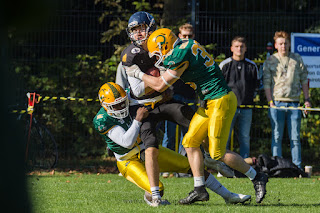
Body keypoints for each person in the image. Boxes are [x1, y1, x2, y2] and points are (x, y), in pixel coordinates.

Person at [126, 28, 269, 204]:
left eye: (157, 53)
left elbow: (159, 85)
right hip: (208, 100)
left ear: (165, 45)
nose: (156, 58)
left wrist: (137, 73)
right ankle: (199, 189)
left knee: (217, 153)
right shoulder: (188, 44)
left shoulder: (179, 56)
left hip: (220, 100)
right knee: (189, 142)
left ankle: (257, 177)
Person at [93, 82, 251, 206]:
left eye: (123, 103)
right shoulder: (102, 120)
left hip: (146, 150)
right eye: (116, 106)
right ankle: (151, 197)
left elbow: (146, 95)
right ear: (105, 106)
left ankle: (228, 195)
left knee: (192, 166)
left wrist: (162, 94)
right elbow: (127, 142)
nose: (121, 107)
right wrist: (137, 120)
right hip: (128, 160)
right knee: (158, 189)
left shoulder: (129, 99)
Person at [120, 11, 196, 205]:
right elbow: (137, 89)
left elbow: (170, 77)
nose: (137, 34)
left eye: (141, 28)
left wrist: (162, 83)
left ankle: (209, 167)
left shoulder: (161, 43)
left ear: (151, 27)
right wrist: (159, 81)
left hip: (163, 100)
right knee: (151, 146)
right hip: (142, 107)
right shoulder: (131, 54)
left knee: (194, 122)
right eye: (134, 30)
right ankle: (155, 196)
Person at [263, 31, 311, 169]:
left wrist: (306, 99)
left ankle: (297, 167)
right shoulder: (270, 60)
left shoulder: (297, 58)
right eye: (280, 43)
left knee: (295, 137)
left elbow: (304, 80)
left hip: (294, 103)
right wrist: (270, 101)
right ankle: (276, 166)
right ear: (276, 45)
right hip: (276, 103)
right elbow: (266, 83)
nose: (283, 46)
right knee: (276, 136)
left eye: (286, 43)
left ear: (289, 44)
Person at [161, 23, 197, 170]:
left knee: (187, 136)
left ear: (193, 37)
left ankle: (184, 168)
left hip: (190, 98)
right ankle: (166, 167)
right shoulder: (173, 51)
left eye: (189, 36)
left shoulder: (196, 51)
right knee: (169, 135)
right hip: (174, 98)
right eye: (183, 35)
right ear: (179, 36)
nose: (186, 38)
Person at [219, 36, 259, 159]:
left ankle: (245, 168)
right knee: (225, 137)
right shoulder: (224, 65)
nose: (239, 49)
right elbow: (219, 86)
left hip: (246, 108)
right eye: (236, 46)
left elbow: (256, 87)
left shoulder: (252, 66)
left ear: (245, 48)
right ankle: (223, 166)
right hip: (228, 108)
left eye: (242, 46)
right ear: (231, 48)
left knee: (245, 138)